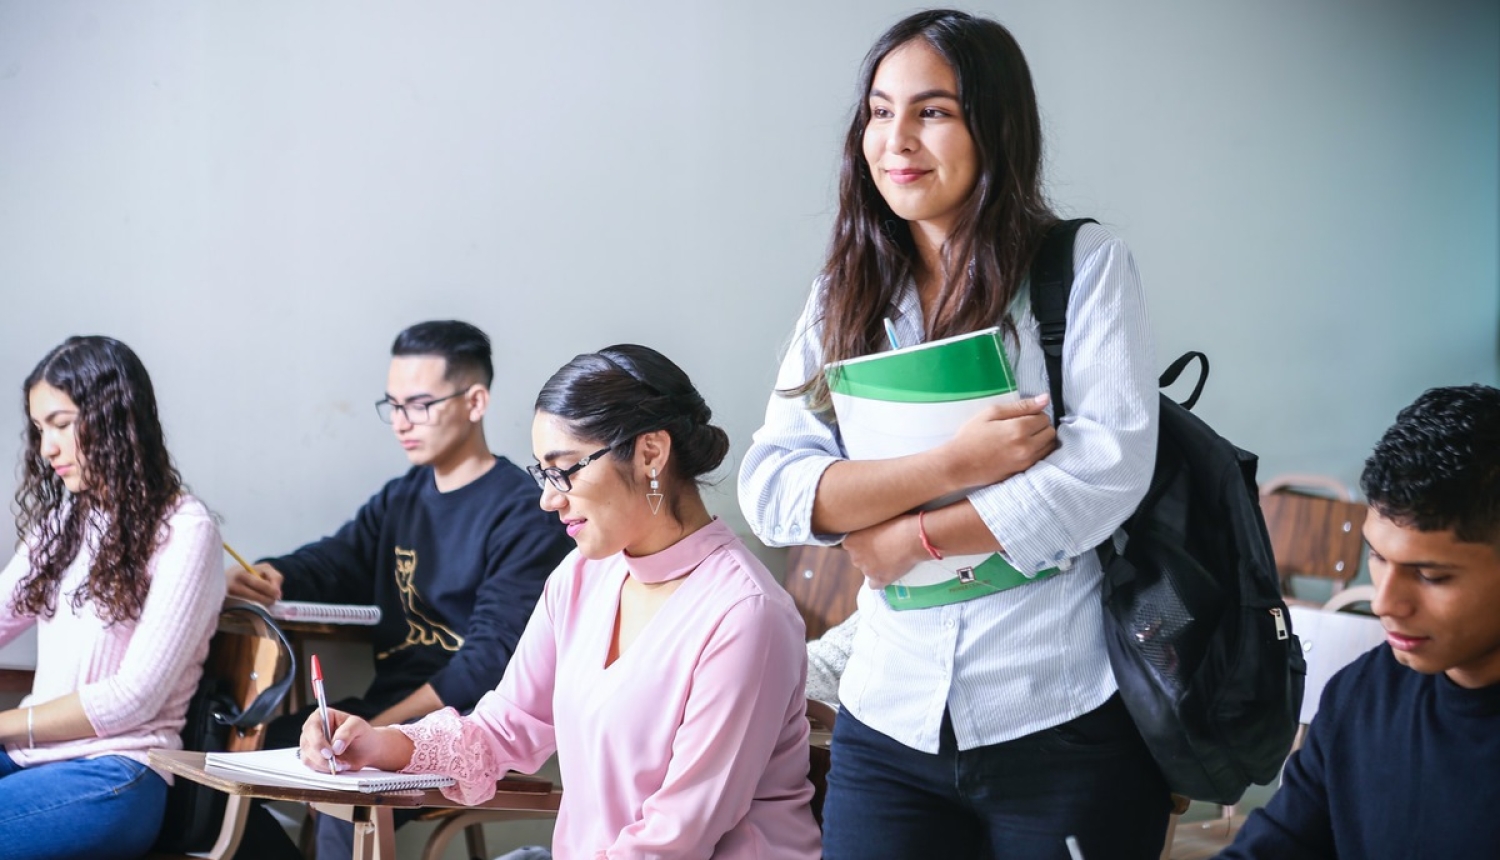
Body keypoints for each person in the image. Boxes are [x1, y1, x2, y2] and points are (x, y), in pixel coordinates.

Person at [738, 9, 1170, 858]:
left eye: (933, 111)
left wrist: (908, 540)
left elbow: (1103, 477)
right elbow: (774, 485)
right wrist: (954, 465)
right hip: (889, 716)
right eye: (879, 110)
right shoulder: (845, 291)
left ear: (995, 126)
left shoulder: (1082, 267)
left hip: (1059, 708)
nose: (897, 138)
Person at [300, 344, 821, 859]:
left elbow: (678, 835)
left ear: (651, 453)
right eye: (543, 473)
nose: (549, 497)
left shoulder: (746, 615)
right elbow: (502, 728)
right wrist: (379, 744)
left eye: (565, 468)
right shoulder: (580, 577)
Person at [225, 320, 572, 859]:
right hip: (385, 708)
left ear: (475, 401)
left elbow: (484, 667)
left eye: (419, 405)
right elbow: (338, 559)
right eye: (393, 406)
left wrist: (380, 731)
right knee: (237, 758)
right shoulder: (402, 497)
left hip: (468, 726)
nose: (401, 423)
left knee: (346, 798)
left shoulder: (523, 511)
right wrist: (269, 574)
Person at [1217, 384, 1500, 859]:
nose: (1385, 603)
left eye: (1431, 575)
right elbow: (1279, 845)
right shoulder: (1363, 693)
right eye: (1377, 557)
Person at [0, 336, 225, 859]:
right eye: (39, 430)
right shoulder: (64, 523)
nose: (46, 448)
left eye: (60, 423)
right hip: (34, 756)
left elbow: (132, 699)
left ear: (113, 416)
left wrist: (5, 724)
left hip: (115, 774)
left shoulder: (185, 529)